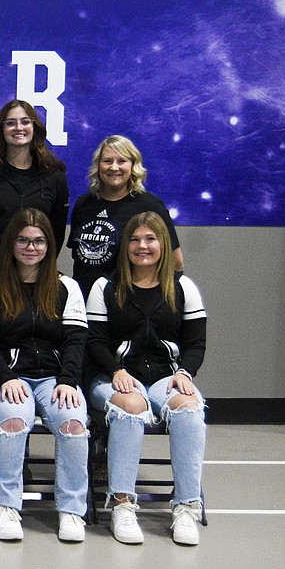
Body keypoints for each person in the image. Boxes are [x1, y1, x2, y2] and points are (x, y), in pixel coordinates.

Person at [86, 212, 207, 546]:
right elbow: (93, 341)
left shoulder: (183, 286)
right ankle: (123, 505)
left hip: (164, 378)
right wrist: (116, 371)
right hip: (111, 377)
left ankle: (185, 507)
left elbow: (196, 344)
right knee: (131, 405)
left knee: (190, 407)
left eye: (150, 239)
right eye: (136, 240)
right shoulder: (105, 287)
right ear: (126, 246)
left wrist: (185, 373)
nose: (143, 246)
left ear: (163, 245)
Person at [0, 209, 89, 542]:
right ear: (11, 243)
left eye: (38, 241)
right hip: (6, 379)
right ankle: (6, 505)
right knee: (13, 420)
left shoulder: (67, 287)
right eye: (23, 240)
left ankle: (71, 510)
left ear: (50, 245)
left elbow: (76, 341)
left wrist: (68, 380)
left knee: (74, 423)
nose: (30, 247)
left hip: (54, 380)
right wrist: (6, 377)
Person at [0, 100, 68, 288]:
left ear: (34, 128)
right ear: (1, 130)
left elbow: (56, 232)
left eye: (25, 122)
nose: (18, 128)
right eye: (11, 123)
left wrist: (38, 262)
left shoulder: (54, 176)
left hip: (38, 277)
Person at [68, 135, 185, 296]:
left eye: (121, 161)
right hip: (84, 302)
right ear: (98, 165)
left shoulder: (149, 206)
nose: (114, 167)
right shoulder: (84, 203)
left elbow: (175, 263)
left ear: (133, 165)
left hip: (125, 306)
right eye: (107, 161)